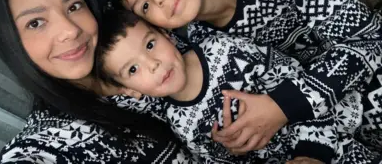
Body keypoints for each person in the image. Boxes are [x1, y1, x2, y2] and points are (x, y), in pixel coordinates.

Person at [94, 0, 382, 153]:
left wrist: (282, 105)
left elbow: (367, 40)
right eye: (144, 7)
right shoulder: (191, 43)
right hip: (320, 122)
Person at [0, 0, 196, 163]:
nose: (70, 30)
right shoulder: (49, 143)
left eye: (74, 6)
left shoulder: (132, 37)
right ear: (10, 44)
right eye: (36, 23)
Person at [94, 9, 380, 164]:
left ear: (167, 36)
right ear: (130, 90)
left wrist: (311, 152)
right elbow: (214, 158)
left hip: (330, 142)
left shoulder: (224, 51)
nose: (153, 64)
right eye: (133, 69)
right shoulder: (177, 120)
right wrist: (233, 151)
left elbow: (298, 84)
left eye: (150, 45)